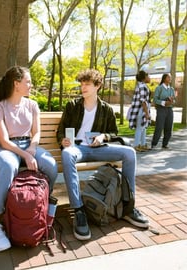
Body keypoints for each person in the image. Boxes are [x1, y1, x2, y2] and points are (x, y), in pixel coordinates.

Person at [57, 68, 149, 241]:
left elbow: (113, 132)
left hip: (99, 149)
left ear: (97, 86)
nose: (83, 87)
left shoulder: (106, 109)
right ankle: (78, 210)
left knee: (129, 153)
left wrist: (102, 136)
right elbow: (61, 130)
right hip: (78, 149)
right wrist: (63, 140)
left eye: (87, 84)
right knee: (67, 154)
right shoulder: (72, 106)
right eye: (82, 84)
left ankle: (128, 207)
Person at [0, 66, 58, 252]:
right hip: (6, 149)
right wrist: (25, 155)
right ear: (16, 84)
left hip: (29, 145)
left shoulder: (32, 105)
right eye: (28, 81)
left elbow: (36, 133)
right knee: (9, 166)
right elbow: (3, 140)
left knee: (50, 165)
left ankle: (42, 207)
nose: (31, 84)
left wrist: (33, 147)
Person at [128, 71, 151, 152]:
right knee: (139, 127)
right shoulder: (141, 86)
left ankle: (143, 144)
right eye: (148, 75)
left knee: (143, 127)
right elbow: (143, 101)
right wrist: (147, 113)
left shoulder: (143, 86)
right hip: (140, 110)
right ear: (144, 77)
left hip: (143, 109)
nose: (150, 77)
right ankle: (136, 145)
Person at [151, 73, 176, 149]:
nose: (170, 79)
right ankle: (154, 144)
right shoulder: (159, 88)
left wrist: (172, 101)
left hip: (169, 109)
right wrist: (164, 102)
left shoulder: (171, 89)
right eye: (169, 77)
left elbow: (174, 100)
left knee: (169, 127)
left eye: (170, 77)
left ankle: (165, 144)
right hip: (161, 109)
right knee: (159, 127)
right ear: (164, 78)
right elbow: (155, 100)